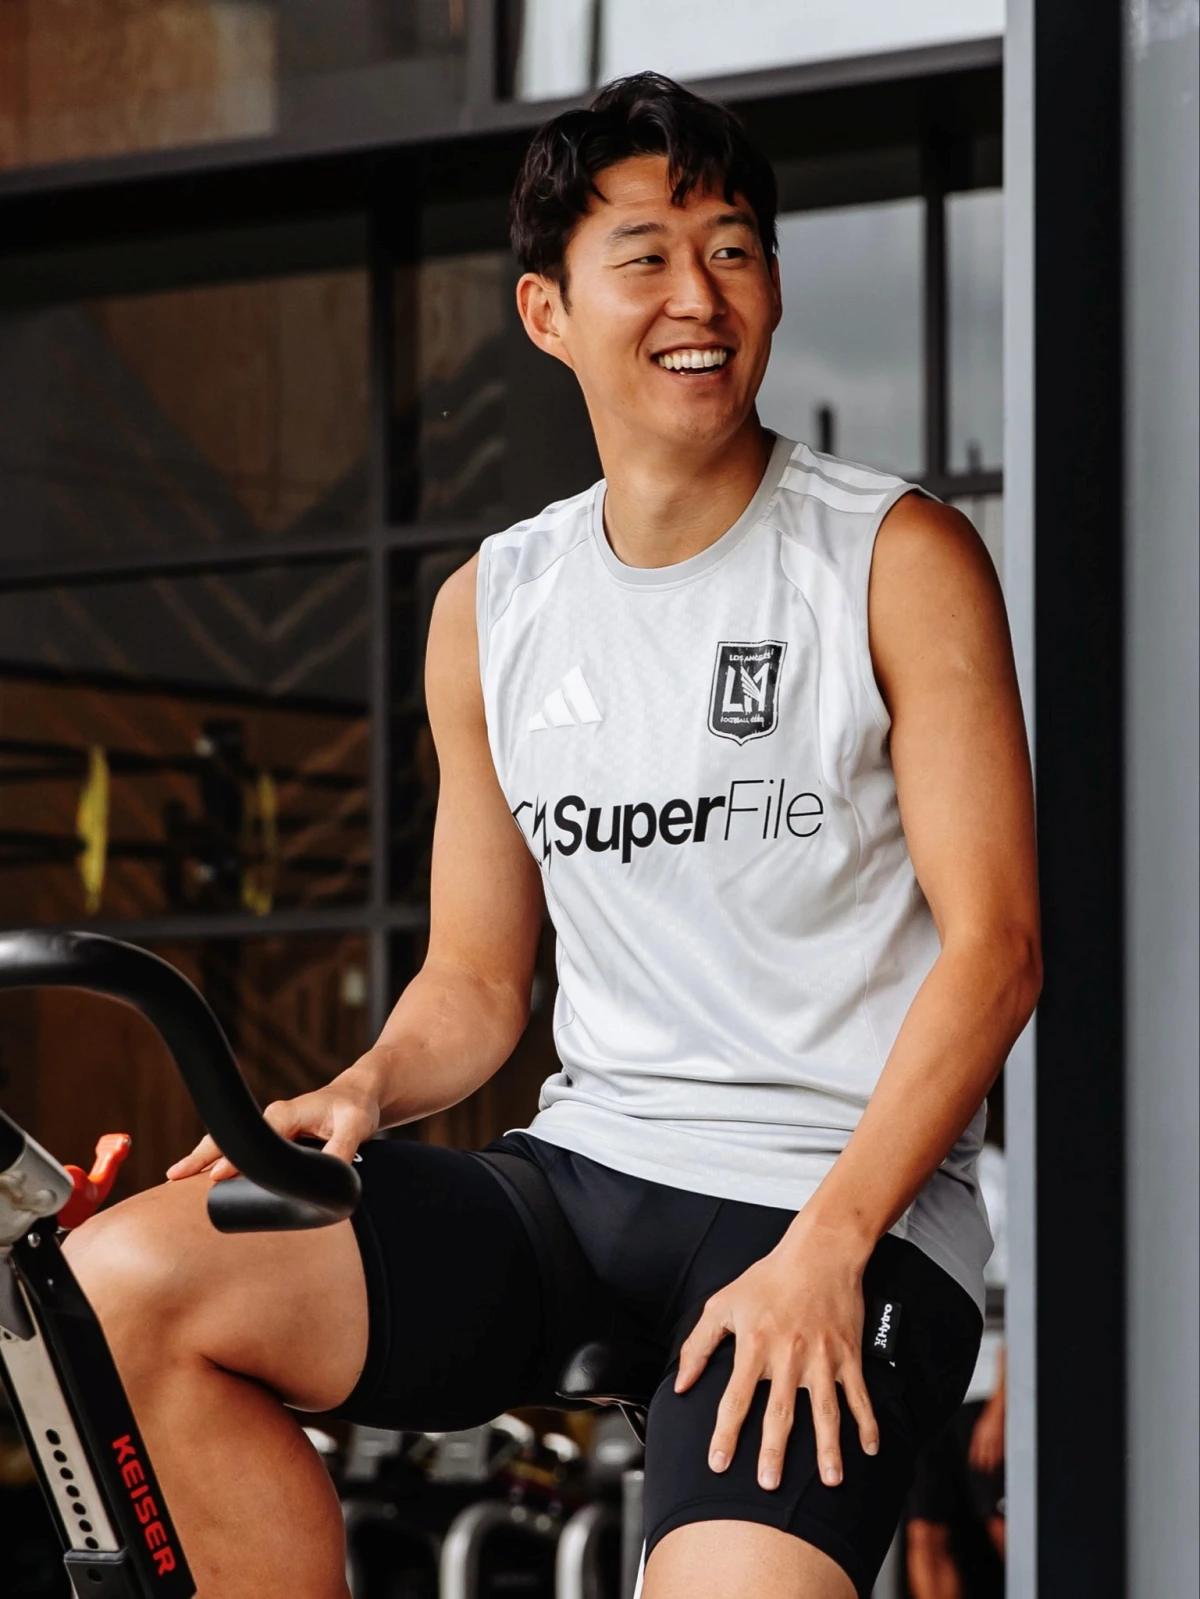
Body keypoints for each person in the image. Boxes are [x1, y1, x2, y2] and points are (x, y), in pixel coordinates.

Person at [63, 73, 1040, 1599]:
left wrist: (829, 1246)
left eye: (733, 248)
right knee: (123, 1283)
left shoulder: (894, 556)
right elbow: (474, 981)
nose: (698, 294)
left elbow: (998, 950)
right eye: (645, 255)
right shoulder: (493, 608)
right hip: (585, 1178)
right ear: (547, 311)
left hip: (842, 1201)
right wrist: (366, 1084)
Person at [907, 1132, 1008, 1596]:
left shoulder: (997, 1174)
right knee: (924, 1530)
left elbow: (1020, 1299)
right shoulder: (902, 1156)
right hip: (923, 1388)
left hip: (984, 1387)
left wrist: (1001, 1408)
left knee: (1004, 1522)